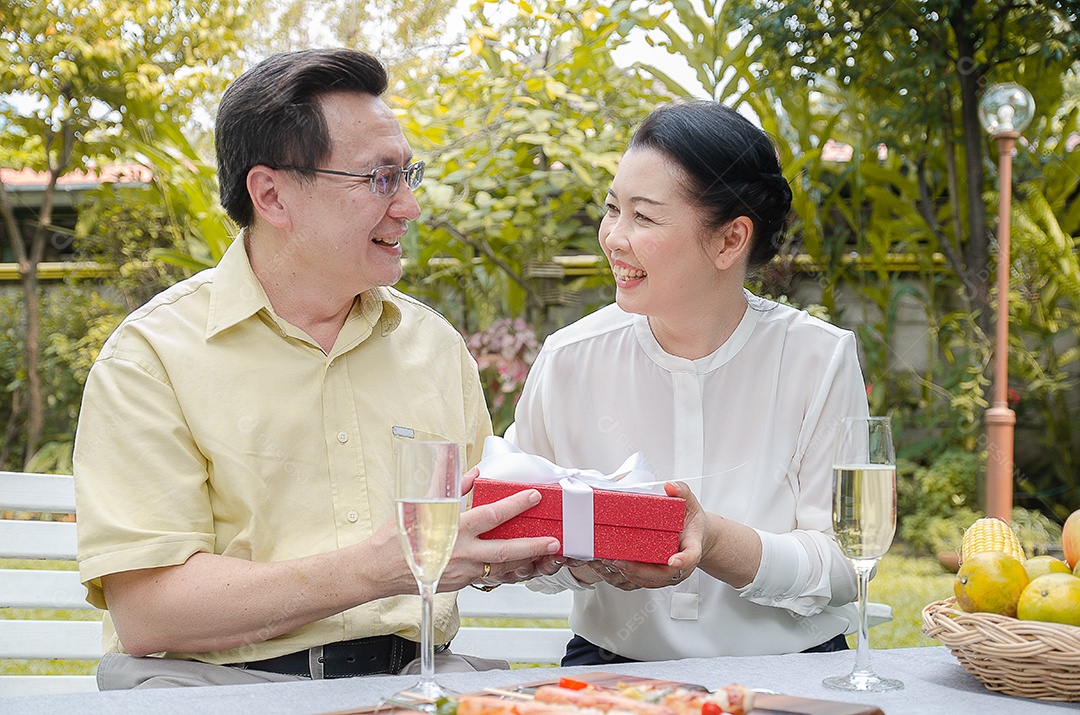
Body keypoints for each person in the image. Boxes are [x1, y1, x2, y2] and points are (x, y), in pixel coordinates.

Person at [72, 48, 562, 690]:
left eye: (407, 174)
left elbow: (470, 529)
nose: (409, 207)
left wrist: (569, 537)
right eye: (380, 179)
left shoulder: (434, 347)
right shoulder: (151, 358)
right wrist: (376, 568)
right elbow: (148, 611)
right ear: (271, 194)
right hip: (217, 689)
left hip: (417, 680)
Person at [512, 99, 869, 664]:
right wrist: (582, 550)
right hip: (610, 671)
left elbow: (848, 564)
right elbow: (522, 539)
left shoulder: (817, 358)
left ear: (730, 240)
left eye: (644, 217)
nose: (613, 237)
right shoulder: (569, 358)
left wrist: (710, 540)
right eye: (612, 209)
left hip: (792, 670)